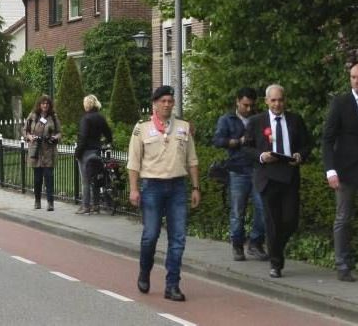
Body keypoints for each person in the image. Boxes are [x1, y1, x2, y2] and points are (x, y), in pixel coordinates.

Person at [128, 85, 200, 302]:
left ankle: (172, 285)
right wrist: (134, 189)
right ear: (155, 104)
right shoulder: (142, 129)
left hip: (177, 187)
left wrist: (196, 187)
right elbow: (134, 162)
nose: (167, 105)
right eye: (163, 101)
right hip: (152, 187)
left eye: (170, 101)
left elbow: (192, 160)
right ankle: (144, 270)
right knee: (150, 235)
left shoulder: (184, 127)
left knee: (178, 238)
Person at [243, 84, 310, 278]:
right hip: (267, 177)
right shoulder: (257, 122)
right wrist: (261, 156)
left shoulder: (295, 120)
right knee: (272, 222)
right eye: (273, 100)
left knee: (290, 220)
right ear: (266, 102)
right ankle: (276, 263)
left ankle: (275, 248)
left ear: (285, 100)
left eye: (280, 100)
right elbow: (246, 148)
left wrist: (300, 155)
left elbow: (307, 145)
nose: (277, 104)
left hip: (289, 176)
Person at [212, 87, 266, 261]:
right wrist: (236, 141)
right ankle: (237, 245)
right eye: (245, 105)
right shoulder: (227, 120)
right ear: (237, 101)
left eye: (251, 105)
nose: (249, 109)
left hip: (258, 169)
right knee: (237, 211)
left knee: (263, 208)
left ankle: (255, 243)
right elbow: (218, 140)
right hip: (237, 169)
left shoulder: (259, 119)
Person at [323, 62, 358, 282]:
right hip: (345, 170)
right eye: (354, 77)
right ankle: (342, 264)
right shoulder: (340, 103)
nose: (356, 81)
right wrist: (330, 170)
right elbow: (327, 139)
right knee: (343, 218)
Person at [23, 95, 61, 211]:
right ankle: (37, 200)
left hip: (48, 151)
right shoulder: (33, 116)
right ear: (39, 105)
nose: (45, 105)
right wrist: (29, 137)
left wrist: (55, 137)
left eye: (47, 104)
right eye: (43, 103)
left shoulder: (53, 117)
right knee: (37, 179)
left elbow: (59, 132)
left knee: (49, 178)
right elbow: (25, 130)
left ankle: (50, 203)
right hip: (36, 151)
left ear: (50, 105)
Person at [75, 94, 112, 214]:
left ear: (86, 105)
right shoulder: (101, 118)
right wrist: (106, 142)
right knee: (95, 178)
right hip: (97, 151)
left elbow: (83, 137)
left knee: (85, 180)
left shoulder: (86, 119)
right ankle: (96, 205)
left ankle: (86, 206)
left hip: (86, 152)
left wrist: (78, 152)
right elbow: (108, 133)